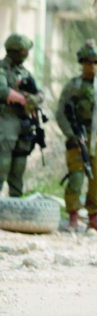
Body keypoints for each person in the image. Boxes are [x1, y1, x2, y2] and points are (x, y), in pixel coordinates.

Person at [56, 40, 97, 234]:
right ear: (82, 63)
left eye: (95, 62)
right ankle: (73, 217)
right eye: (88, 62)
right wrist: (70, 134)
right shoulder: (73, 86)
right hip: (78, 137)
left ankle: (93, 218)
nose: (92, 66)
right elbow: (60, 113)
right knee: (76, 177)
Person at [0, 33, 44, 197]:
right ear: (14, 51)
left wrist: (37, 98)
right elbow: (2, 91)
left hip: (24, 125)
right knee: (2, 164)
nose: (26, 55)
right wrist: (23, 100)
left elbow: (39, 92)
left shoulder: (24, 72)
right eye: (23, 51)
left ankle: (14, 205)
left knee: (18, 167)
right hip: (5, 122)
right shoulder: (2, 69)